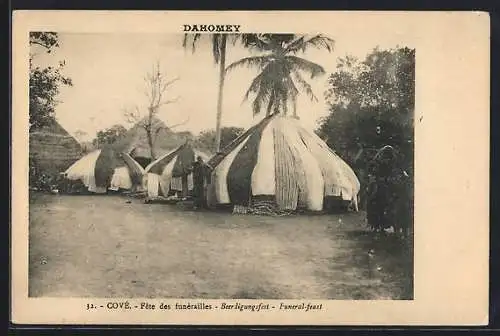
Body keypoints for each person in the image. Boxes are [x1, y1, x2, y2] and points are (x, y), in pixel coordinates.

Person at [366, 145, 399, 233]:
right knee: (375, 204)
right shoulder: (377, 163)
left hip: (387, 185)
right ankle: (376, 225)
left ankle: (383, 225)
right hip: (379, 185)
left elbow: (393, 173)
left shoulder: (392, 163)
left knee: (387, 205)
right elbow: (372, 171)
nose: (386, 159)